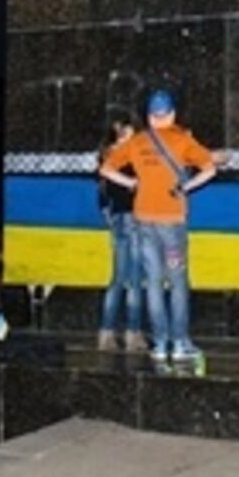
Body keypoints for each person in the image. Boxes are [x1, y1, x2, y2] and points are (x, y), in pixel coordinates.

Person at [99, 89, 218, 363]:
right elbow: (210, 168)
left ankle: (160, 343)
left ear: (150, 117)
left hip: (143, 220)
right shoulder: (182, 141)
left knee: (152, 282)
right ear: (172, 114)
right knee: (176, 282)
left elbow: (105, 169)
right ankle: (180, 343)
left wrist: (131, 183)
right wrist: (185, 187)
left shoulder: (138, 142)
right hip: (172, 222)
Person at [97, 118, 145, 352]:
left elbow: (103, 196)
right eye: (132, 134)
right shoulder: (126, 157)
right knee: (135, 280)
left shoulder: (108, 156)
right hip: (132, 218)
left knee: (117, 279)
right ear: (122, 133)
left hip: (117, 219)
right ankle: (133, 334)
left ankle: (106, 334)